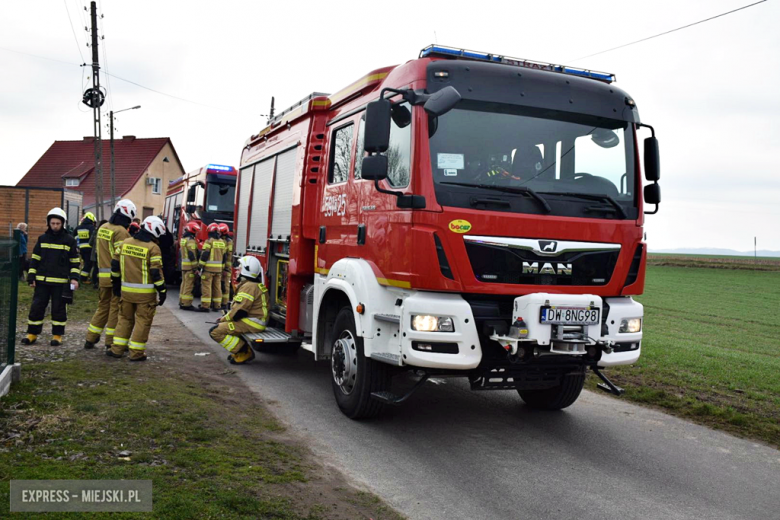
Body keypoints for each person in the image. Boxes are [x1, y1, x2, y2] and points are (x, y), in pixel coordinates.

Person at [108, 216, 167, 361]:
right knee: (142, 322)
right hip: (145, 296)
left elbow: (115, 266)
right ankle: (136, 353)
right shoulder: (153, 248)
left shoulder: (125, 243)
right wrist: (163, 291)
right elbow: (156, 273)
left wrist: (116, 284)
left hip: (126, 292)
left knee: (124, 319)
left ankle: (117, 349)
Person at [21, 208, 80, 346]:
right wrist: (31, 276)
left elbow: (74, 262)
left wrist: (74, 278)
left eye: (57, 223)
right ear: (48, 223)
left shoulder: (69, 240)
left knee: (58, 309)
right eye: (52, 223)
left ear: (63, 224)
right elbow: (35, 258)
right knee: (37, 307)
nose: (55, 226)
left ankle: (57, 335)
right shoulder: (42, 239)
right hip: (42, 281)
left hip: (61, 283)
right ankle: (32, 334)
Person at [83, 200, 136, 350]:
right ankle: (110, 341)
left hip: (102, 276)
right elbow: (121, 257)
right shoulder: (121, 232)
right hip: (115, 277)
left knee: (102, 307)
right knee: (115, 309)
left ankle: (90, 338)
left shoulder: (103, 228)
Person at [209, 255, 268, 365]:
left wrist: (223, 319)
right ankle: (241, 351)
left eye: (240, 268)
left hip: (252, 323)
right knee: (228, 326)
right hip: (253, 321)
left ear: (246, 271)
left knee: (215, 331)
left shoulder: (248, 287)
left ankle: (244, 352)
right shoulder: (253, 285)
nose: (236, 270)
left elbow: (239, 311)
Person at [198, 222, 226, 312]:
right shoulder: (222, 242)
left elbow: (204, 255)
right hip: (218, 270)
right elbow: (224, 257)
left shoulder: (209, 242)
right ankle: (217, 305)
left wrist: (200, 266)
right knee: (217, 287)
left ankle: (205, 306)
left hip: (208, 270)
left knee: (206, 287)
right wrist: (222, 268)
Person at [178, 221, 201, 310]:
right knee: (189, 285)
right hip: (190, 267)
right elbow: (192, 255)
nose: (196, 233)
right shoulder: (190, 240)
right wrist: (195, 268)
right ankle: (186, 304)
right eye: (195, 232)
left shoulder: (183, 239)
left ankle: (182, 301)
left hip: (184, 266)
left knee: (184, 284)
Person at [75, 212, 96, 283]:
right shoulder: (91, 227)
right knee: (88, 264)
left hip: (81, 248)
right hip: (89, 248)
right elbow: (93, 238)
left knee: (85, 263)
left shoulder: (79, 227)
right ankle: (83, 278)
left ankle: (83, 277)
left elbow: (74, 236)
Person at [218, 223, 233, 310]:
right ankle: (219, 302)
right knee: (219, 285)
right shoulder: (223, 240)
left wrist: (226, 268)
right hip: (221, 267)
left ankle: (224, 303)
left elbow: (228, 256)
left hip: (225, 268)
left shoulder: (228, 242)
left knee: (225, 286)